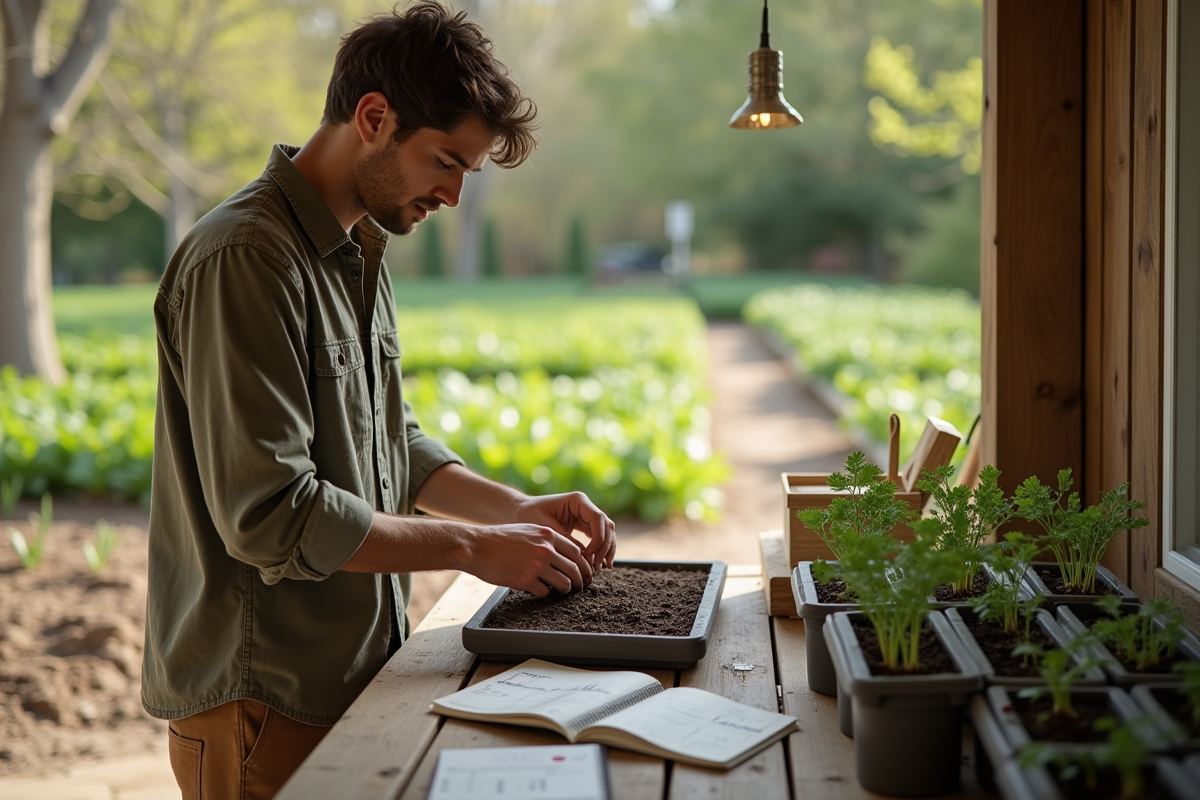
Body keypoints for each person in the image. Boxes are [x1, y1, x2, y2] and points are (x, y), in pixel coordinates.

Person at [141, 3, 617, 797]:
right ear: (373, 117)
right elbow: (271, 515)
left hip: (354, 676)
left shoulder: (359, 243)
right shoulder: (246, 258)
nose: (455, 195)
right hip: (265, 699)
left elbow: (388, 436)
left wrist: (513, 509)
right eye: (447, 161)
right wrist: (473, 549)